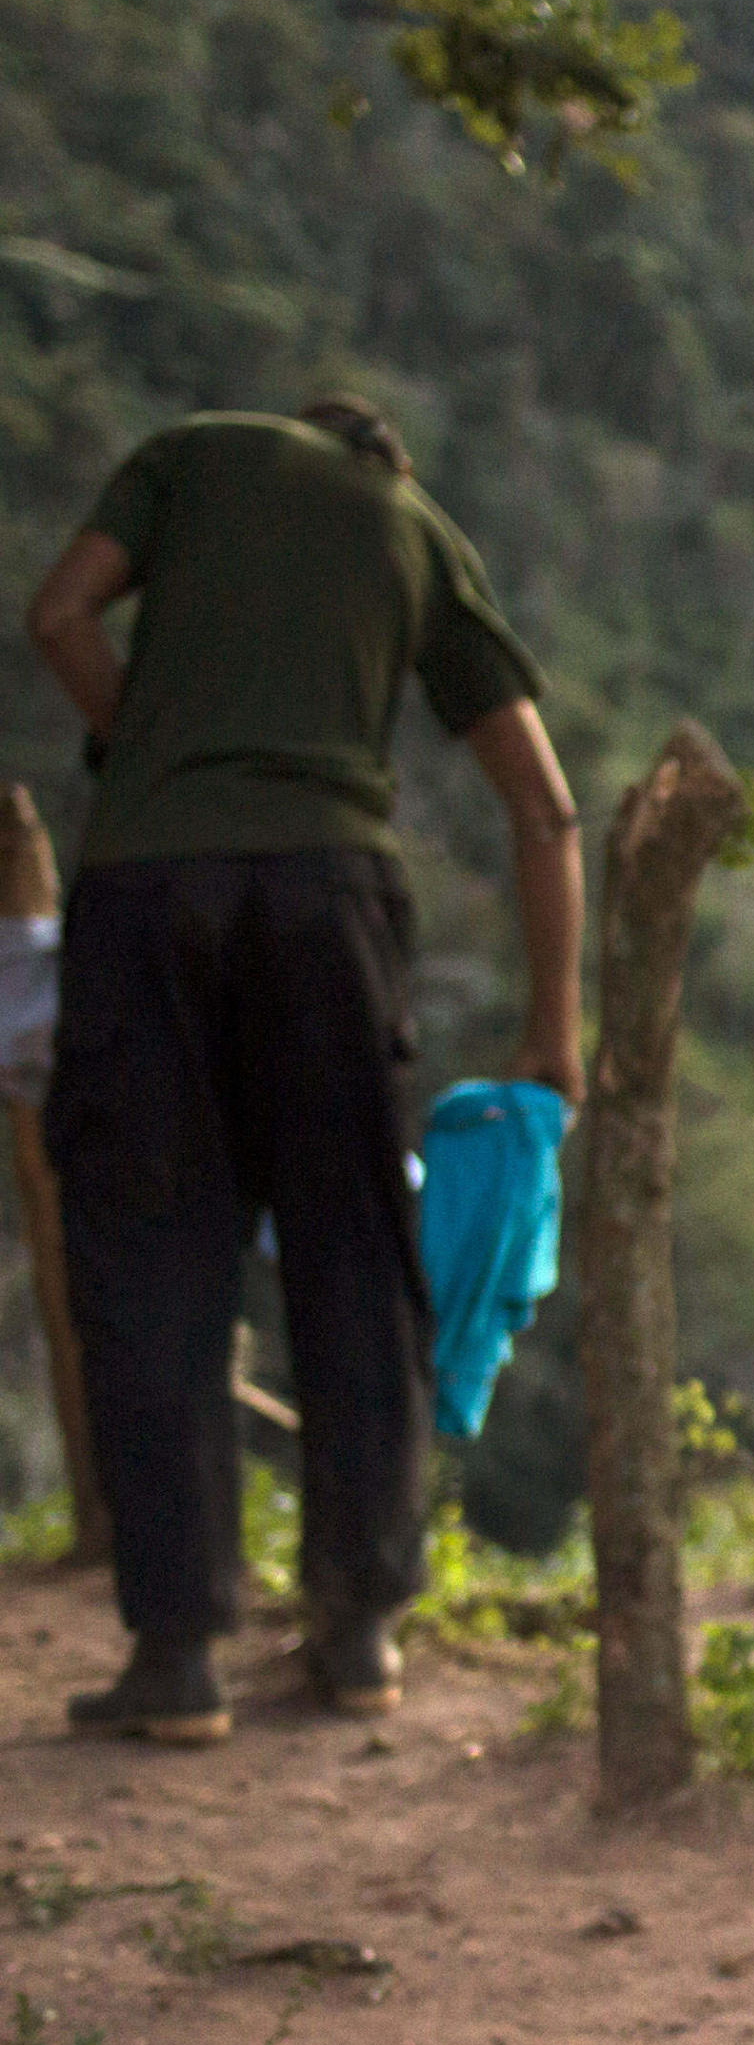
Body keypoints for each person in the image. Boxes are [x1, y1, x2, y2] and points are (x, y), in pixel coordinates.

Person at [22, 394, 582, 1740]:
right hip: (326, 903)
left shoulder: (189, 458)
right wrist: (555, 1028)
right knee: (352, 1251)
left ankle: (178, 1658)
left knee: (152, 1259)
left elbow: (59, 619)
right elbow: (546, 805)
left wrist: (134, 745)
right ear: (379, 453)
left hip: (147, 889)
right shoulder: (412, 527)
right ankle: (357, 1631)